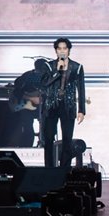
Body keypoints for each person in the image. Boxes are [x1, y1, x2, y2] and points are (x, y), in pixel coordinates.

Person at [41, 38, 85, 168]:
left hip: (68, 106)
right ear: (56, 51)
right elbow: (44, 83)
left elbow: (81, 89)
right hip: (51, 106)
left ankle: (64, 170)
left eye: (64, 48)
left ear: (69, 50)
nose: (62, 51)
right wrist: (57, 71)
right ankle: (49, 169)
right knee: (49, 138)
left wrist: (81, 110)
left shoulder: (77, 67)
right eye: (59, 48)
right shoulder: (49, 66)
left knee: (67, 139)